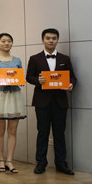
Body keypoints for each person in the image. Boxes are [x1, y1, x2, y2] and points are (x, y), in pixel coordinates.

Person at [26, 28, 77, 175]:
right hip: (42, 101)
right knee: (42, 132)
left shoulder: (65, 59)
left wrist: (71, 84)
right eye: (48, 38)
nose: (51, 41)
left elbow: (72, 77)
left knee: (59, 133)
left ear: (57, 40)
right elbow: (29, 77)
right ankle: (41, 163)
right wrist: (38, 80)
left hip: (60, 101)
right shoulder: (35, 58)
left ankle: (61, 163)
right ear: (43, 40)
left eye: (54, 38)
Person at [0, 33, 26, 173]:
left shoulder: (17, 60)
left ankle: (9, 160)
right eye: (3, 41)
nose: (6, 43)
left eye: (9, 41)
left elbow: (20, 77)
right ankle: (0, 160)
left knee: (13, 130)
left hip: (14, 95)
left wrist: (20, 81)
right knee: (0, 130)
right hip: (0, 96)